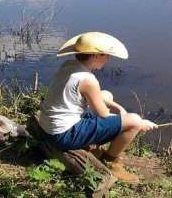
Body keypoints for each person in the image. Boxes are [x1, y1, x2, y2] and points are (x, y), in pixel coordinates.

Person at [38, 31, 157, 183]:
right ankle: (111, 161)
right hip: (62, 136)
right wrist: (140, 123)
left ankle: (92, 145)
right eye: (105, 55)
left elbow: (97, 97)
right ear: (94, 55)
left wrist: (119, 109)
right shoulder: (88, 80)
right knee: (134, 122)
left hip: (49, 127)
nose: (108, 58)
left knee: (106, 95)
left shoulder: (69, 65)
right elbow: (102, 114)